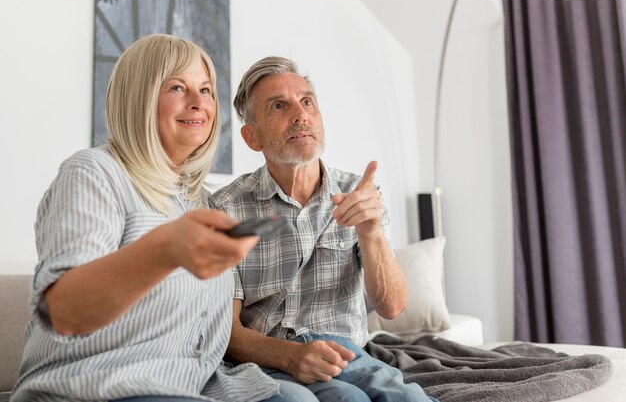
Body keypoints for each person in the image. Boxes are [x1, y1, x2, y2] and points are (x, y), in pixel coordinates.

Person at [10, 35, 303, 402]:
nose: (199, 103)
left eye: (207, 90)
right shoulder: (94, 173)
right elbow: (63, 313)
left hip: (193, 383)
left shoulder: (204, 203)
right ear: (140, 96)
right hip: (94, 386)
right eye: (178, 87)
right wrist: (164, 250)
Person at [209, 57, 438, 402]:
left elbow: (391, 307)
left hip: (350, 355)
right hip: (270, 358)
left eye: (307, 101)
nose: (300, 114)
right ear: (252, 136)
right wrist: (291, 356)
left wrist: (371, 231)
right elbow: (227, 333)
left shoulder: (359, 194)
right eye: (278, 106)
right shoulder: (226, 208)